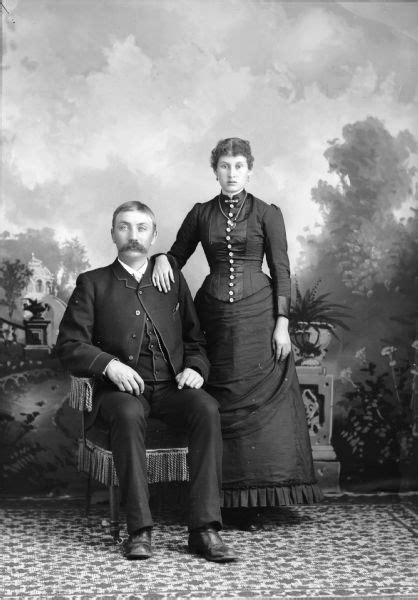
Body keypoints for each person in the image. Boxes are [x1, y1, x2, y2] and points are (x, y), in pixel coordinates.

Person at [152, 138, 323, 530]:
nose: (231, 173)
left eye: (239, 166)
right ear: (215, 170)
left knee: (263, 406)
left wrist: (283, 323)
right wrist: (162, 258)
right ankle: (222, 500)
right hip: (213, 318)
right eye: (225, 166)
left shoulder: (267, 213)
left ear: (250, 170)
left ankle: (262, 499)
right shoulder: (200, 214)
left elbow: (281, 270)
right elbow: (177, 256)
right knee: (220, 398)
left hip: (260, 317)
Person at [55, 200, 237, 562]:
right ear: (112, 234)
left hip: (171, 388)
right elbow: (68, 345)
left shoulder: (171, 279)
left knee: (206, 408)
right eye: (124, 226)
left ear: (154, 235)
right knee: (126, 414)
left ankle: (204, 529)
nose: (133, 235)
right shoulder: (93, 283)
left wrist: (196, 368)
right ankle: (140, 530)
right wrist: (109, 365)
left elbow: (194, 338)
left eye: (141, 227)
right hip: (120, 392)